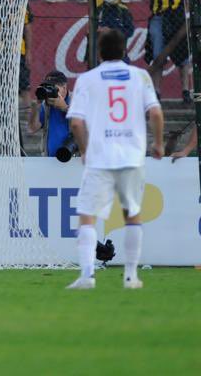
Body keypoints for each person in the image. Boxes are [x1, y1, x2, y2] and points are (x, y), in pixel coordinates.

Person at [65, 29, 163, 290]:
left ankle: (87, 276)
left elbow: (75, 122)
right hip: (131, 156)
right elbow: (155, 113)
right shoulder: (140, 76)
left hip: (99, 158)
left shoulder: (87, 79)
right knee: (132, 215)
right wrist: (159, 143)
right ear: (125, 50)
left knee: (87, 217)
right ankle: (131, 276)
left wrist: (85, 149)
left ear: (98, 52)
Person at [146, 0, 191, 98]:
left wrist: (185, 8)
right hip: (159, 16)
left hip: (177, 16)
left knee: (183, 54)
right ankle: (157, 92)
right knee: (158, 55)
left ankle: (186, 90)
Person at [26, 70, 72, 158]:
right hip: (49, 160)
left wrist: (65, 108)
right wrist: (36, 106)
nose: (49, 91)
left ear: (64, 88)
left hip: (73, 159)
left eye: (53, 88)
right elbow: (32, 128)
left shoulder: (76, 99)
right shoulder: (46, 104)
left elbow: (86, 124)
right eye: (48, 87)